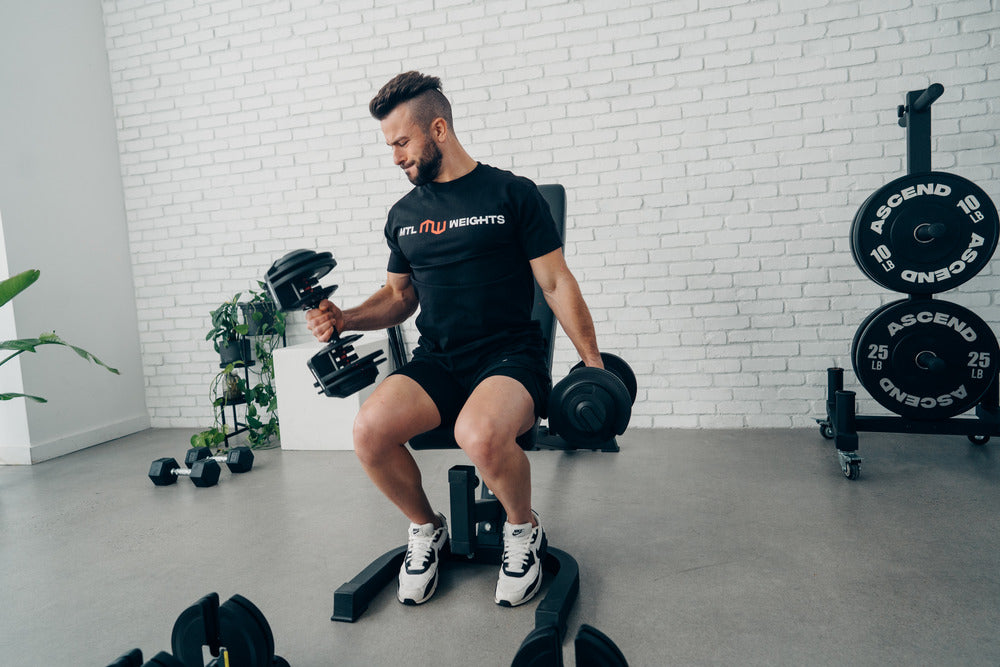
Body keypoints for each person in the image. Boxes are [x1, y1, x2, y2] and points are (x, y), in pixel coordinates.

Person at [306, 71, 603, 608]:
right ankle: (426, 528)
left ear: (437, 129)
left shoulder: (513, 194)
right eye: (389, 146)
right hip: (440, 361)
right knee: (369, 430)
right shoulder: (404, 216)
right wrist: (344, 318)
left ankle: (522, 529)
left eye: (401, 142)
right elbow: (399, 298)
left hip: (511, 357)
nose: (394, 156)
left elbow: (556, 282)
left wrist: (593, 367)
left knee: (480, 433)